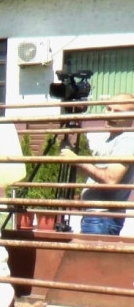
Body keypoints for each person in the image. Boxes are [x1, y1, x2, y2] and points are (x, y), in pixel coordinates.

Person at [61, 93, 134, 235]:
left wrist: (77, 160)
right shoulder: (111, 139)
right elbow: (94, 174)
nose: (110, 114)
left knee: (92, 257)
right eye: (108, 109)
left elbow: (111, 179)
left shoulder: (127, 140)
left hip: (102, 218)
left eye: (117, 112)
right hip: (96, 217)